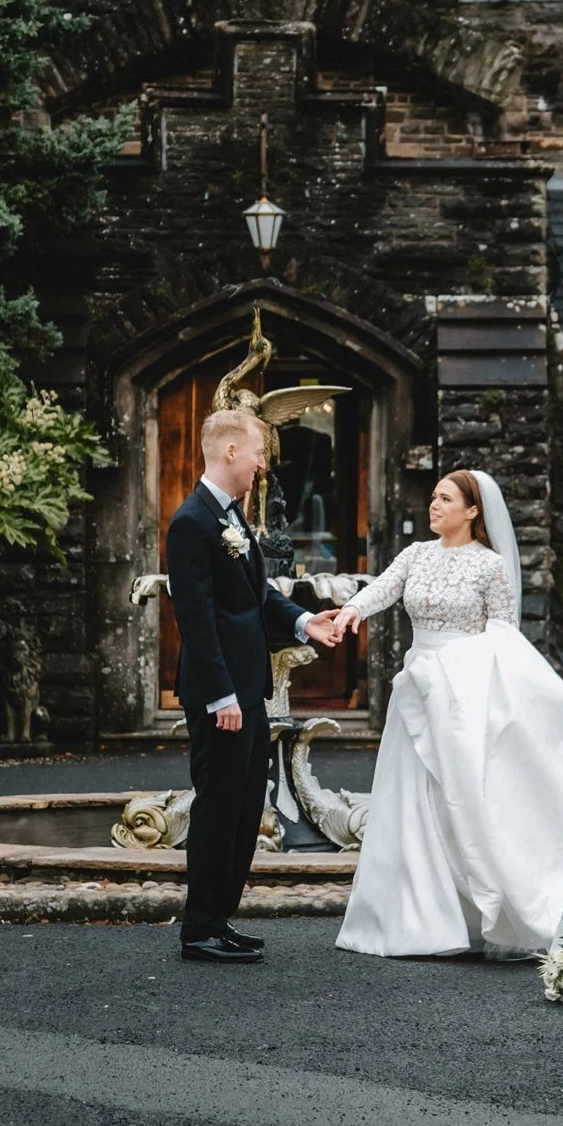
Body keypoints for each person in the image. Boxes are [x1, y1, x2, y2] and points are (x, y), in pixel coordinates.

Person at [330, 468, 563, 960]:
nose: (434, 506)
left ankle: (473, 914)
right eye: (433, 498)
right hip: (417, 688)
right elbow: (382, 588)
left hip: (463, 693)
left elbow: (504, 637)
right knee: (409, 800)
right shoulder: (415, 554)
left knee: (456, 799)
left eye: (445, 499)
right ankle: (412, 919)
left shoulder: (490, 567)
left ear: (472, 510)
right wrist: (352, 609)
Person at [166, 408, 339, 965]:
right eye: (259, 449)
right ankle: (199, 929)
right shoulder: (191, 522)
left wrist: (303, 622)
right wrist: (221, 698)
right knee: (218, 807)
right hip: (223, 698)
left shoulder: (234, 519)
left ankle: (220, 917)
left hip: (248, 691)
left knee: (244, 808)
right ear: (231, 452)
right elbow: (195, 619)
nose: (264, 461)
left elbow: (257, 596)